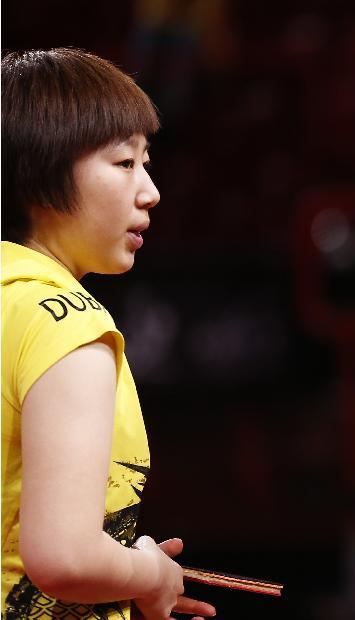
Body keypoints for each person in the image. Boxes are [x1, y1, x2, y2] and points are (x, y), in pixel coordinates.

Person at [1, 49, 215, 620]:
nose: (150, 192)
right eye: (125, 164)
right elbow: (65, 556)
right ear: (42, 174)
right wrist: (150, 574)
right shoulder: (68, 327)